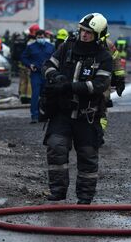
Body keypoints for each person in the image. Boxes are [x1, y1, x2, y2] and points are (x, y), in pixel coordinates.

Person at [41, 12, 113, 204]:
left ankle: (84, 198)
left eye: (89, 32)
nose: (84, 35)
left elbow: (99, 85)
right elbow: (48, 65)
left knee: (88, 157)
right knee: (56, 149)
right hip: (61, 113)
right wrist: (56, 77)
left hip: (87, 116)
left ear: (98, 35)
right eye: (82, 31)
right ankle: (57, 192)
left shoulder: (103, 57)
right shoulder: (67, 47)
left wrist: (71, 87)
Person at [20, 29, 55, 123]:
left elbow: (56, 58)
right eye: (39, 37)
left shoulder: (51, 47)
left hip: (47, 74)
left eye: (42, 37)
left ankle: (45, 115)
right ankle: (34, 116)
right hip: (36, 74)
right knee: (35, 95)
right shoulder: (31, 47)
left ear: (45, 37)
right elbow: (23, 57)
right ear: (36, 38)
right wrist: (29, 64)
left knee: (47, 95)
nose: (40, 39)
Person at [18, 24, 39, 104]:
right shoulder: (32, 42)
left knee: (23, 81)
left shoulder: (25, 40)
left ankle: (23, 97)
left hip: (22, 64)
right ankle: (29, 97)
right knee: (30, 81)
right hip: (29, 64)